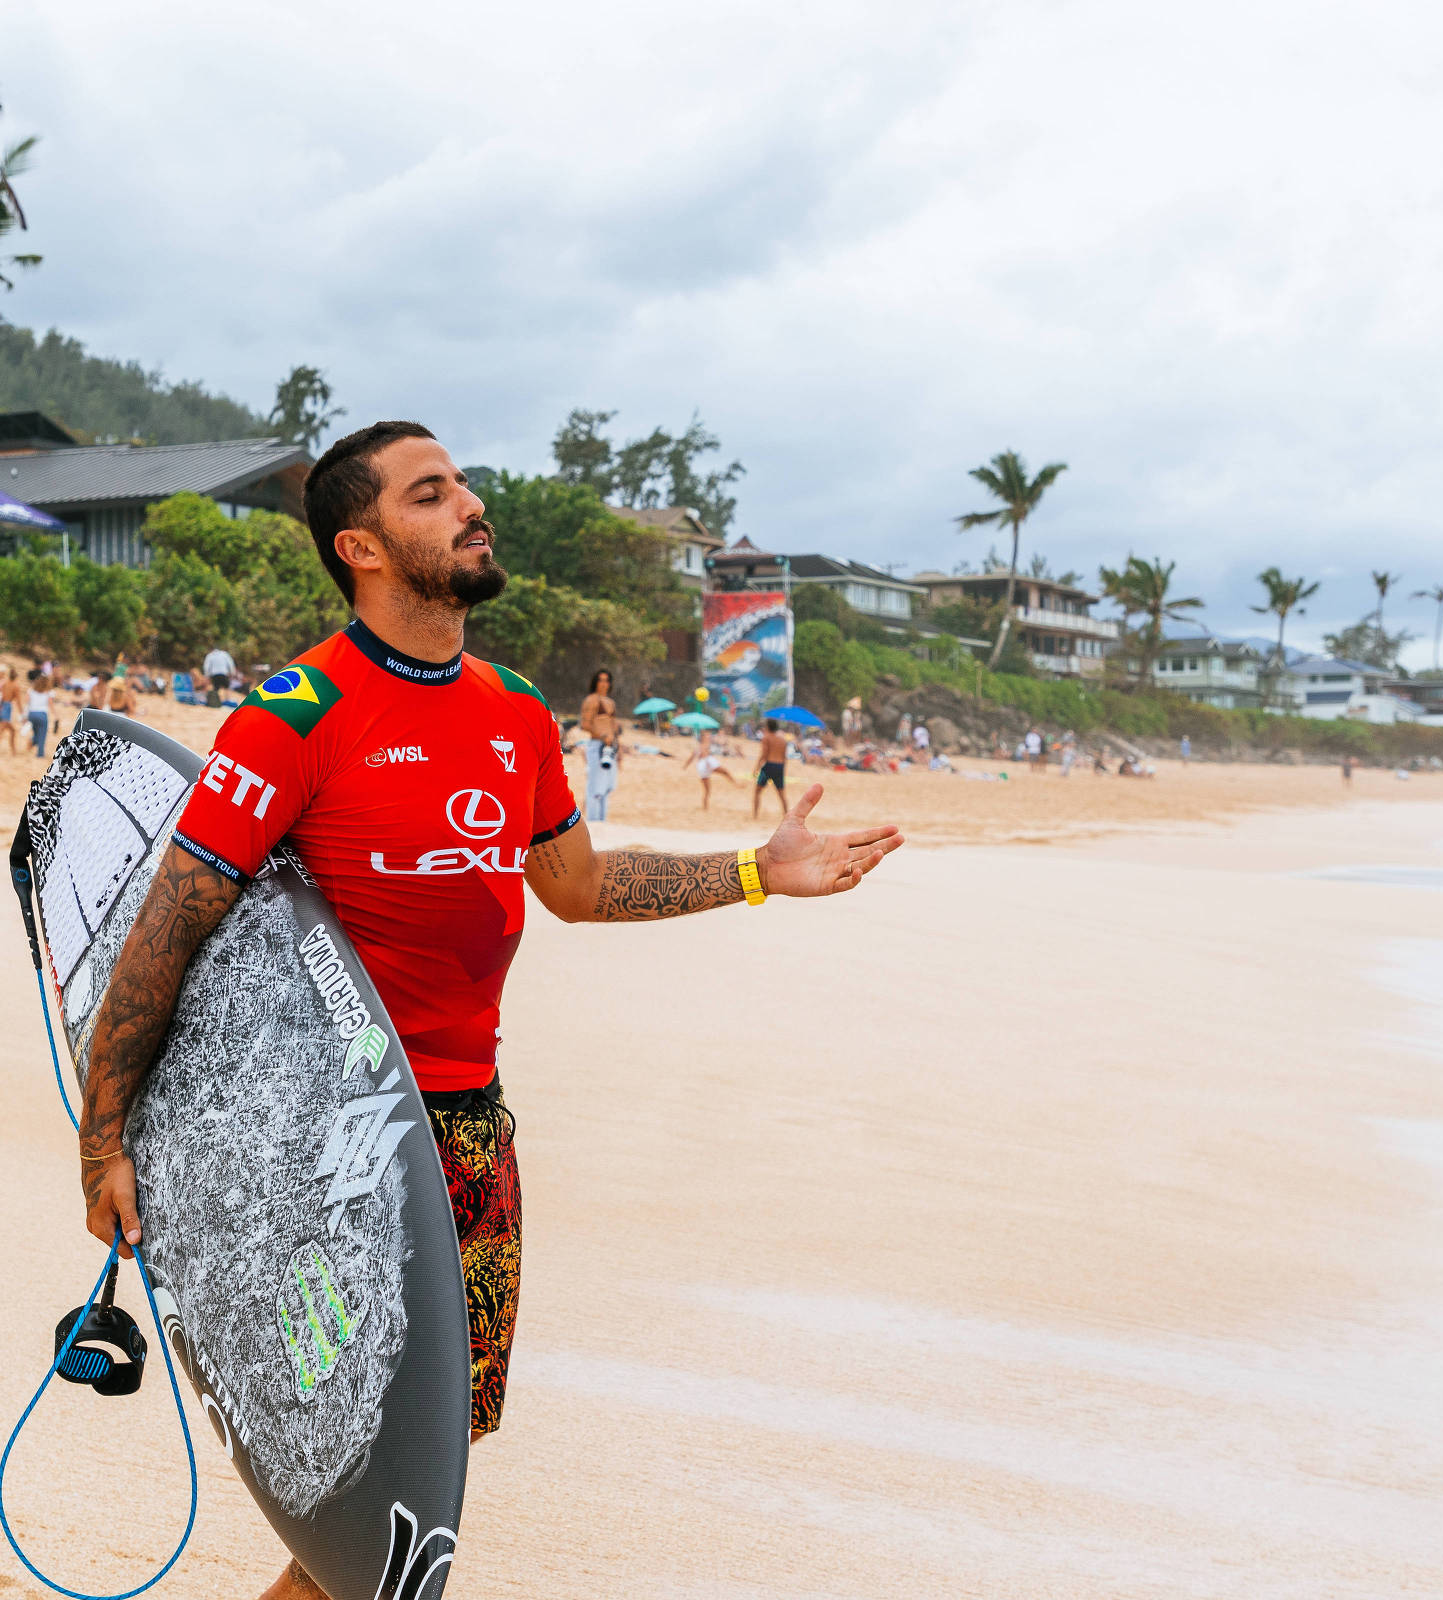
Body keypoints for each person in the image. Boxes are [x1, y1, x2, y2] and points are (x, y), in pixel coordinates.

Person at [72, 421, 902, 1600]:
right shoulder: (297, 713)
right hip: (325, 1146)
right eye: (432, 492)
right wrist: (106, 1139)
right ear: (360, 544)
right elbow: (167, 932)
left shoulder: (513, 712)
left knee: (407, 1484)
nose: (470, 504)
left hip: (463, 1139)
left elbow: (578, 886)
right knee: (379, 1518)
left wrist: (759, 870)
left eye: (463, 483)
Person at [579, 667, 619, 821]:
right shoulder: (592, 700)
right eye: (601, 680)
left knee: (607, 787)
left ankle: (602, 822)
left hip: (610, 748)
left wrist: (616, 744)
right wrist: (602, 736)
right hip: (597, 745)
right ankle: (594, 822)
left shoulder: (610, 702)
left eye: (606, 680)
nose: (604, 684)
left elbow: (613, 725)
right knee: (595, 787)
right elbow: (585, 724)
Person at [753, 718, 791, 817]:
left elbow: (764, 755)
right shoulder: (783, 740)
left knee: (757, 791)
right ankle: (786, 815)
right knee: (781, 794)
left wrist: (756, 768)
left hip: (769, 766)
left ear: (767, 727)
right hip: (779, 766)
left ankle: (755, 815)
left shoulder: (766, 738)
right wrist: (783, 770)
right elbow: (784, 757)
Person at [682, 726, 725, 809]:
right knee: (709, 788)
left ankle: (705, 807)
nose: (709, 737)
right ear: (703, 738)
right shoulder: (704, 746)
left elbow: (691, 758)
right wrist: (709, 764)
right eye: (707, 736)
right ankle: (705, 807)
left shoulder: (700, 746)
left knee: (707, 790)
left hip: (702, 768)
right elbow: (704, 755)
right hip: (705, 766)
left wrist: (685, 766)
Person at [25, 672, 53, 758]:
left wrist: (24, 715)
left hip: (32, 714)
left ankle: (32, 741)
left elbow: (27, 703)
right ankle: (40, 754)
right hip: (42, 714)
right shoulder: (48, 692)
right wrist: (56, 715)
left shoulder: (31, 690)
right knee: (42, 734)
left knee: (36, 732)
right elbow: (50, 704)